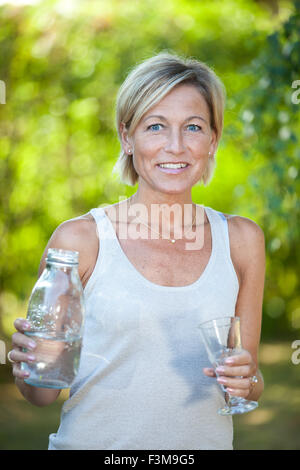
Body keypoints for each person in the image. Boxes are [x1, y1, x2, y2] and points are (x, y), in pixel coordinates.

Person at [9, 52, 265, 450]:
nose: (175, 146)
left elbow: (250, 383)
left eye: (193, 127)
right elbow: (41, 394)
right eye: (156, 126)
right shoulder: (80, 242)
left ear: (213, 139)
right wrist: (29, 365)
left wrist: (246, 381)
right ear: (127, 137)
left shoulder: (243, 241)